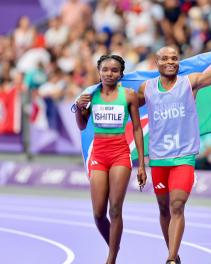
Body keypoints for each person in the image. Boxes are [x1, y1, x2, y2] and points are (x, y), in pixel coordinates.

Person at [137, 21, 211, 264]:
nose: (170, 62)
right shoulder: (146, 89)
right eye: (165, 58)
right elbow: (120, 103)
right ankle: (175, 255)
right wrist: (93, 98)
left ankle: (169, 260)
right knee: (164, 210)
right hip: (158, 159)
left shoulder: (190, 82)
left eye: (174, 58)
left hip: (183, 158)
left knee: (177, 206)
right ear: (156, 63)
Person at [74, 55, 147, 264]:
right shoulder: (90, 95)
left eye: (114, 70)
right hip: (99, 154)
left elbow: (137, 128)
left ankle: (111, 258)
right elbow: (81, 125)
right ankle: (114, 244)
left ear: (121, 74)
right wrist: (79, 109)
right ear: (99, 71)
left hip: (120, 154)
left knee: (115, 208)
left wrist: (141, 164)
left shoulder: (129, 95)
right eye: (105, 70)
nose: (109, 73)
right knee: (98, 213)